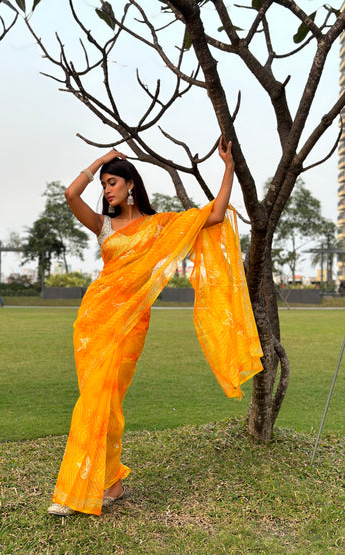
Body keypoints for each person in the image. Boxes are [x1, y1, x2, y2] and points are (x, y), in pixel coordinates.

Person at [47, 139, 263, 517]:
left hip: (132, 323)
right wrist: (101, 159)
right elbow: (70, 194)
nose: (106, 189)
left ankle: (85, 489)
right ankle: (108, 483)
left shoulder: (158, 226)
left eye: (112, 181)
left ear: (131, 185)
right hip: (94, 321)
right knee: (97, 399)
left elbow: (213, 215)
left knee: (107, 401)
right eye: (103, 184)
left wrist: (228, 168)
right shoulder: (103, 225)